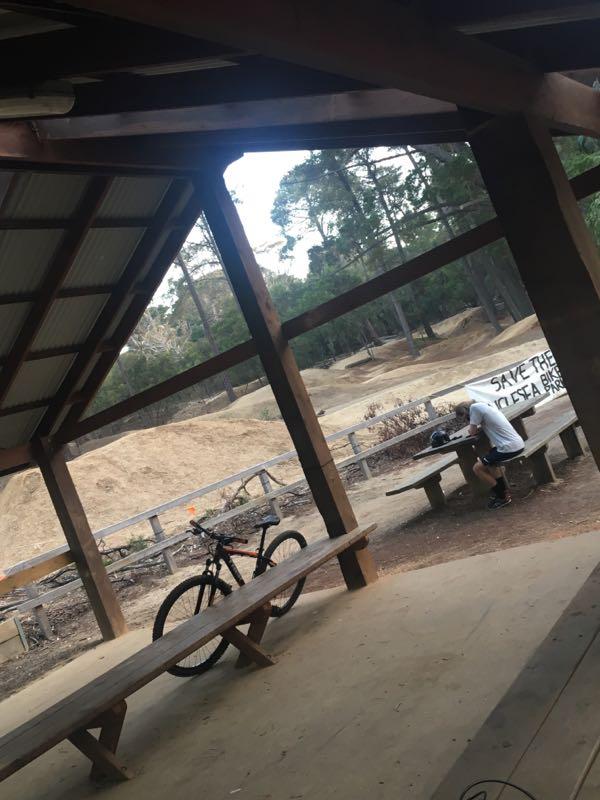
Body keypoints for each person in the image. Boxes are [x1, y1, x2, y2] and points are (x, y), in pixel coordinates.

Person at [454, 400, 524, 510]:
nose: (467, 419)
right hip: (516, 443)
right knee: (490, 460)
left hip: (509, 447)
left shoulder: (475, 408)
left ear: (465, 411)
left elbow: (472, 432)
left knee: (477, 468)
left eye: (465, 417)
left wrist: (471, 425)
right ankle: (504, 492)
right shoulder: (485, 405)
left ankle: (502, 497)